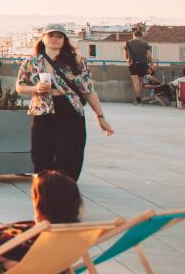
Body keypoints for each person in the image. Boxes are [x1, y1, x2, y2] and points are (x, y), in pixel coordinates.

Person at [15, 25, 112, 181]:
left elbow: (88, 90)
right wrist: (36, 88)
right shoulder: (31, 62)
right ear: (43, 38)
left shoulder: (76, 62)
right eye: (51, 35)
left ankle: (65, 189)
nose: (54, 39)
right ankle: (46, 189)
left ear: (64, 40)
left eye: (59, 36)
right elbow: (19, 86)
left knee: (69, 157)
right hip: (42, 111)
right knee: (40, 157)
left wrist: (100, 117)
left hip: (69, 110)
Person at [124, 26, 151, 105]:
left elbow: (125, 56)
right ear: (141, 36)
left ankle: (137, 100)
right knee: (140, 81)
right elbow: (149, 56)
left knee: (136, 82)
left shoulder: (127, 43)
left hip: (133, 64)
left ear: (133, 35)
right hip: (143, 64)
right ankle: (140, 100)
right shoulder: (145, 43)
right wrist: (152, 64)